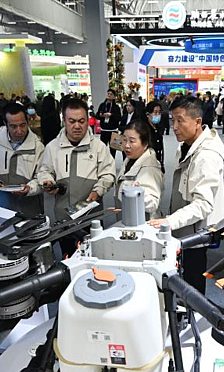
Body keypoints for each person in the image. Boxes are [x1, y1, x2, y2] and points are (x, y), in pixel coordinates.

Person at [149, 97, 224, 294]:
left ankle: (193, 309)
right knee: (182, 272)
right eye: (172, 120)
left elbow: (203, 204)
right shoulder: (186, 143)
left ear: (197, 122)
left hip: (196, 231)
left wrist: (170, 221)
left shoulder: (206, 156)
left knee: (193, 280)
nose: (174, 127)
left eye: (180, 121)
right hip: (184, 223)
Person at [38, 98, 115, 256]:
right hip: (63, 217)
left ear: (88, 120)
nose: (77, 126)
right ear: (64, 121)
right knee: (68, 255)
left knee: (94, 256)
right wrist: (47, 181)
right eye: (72, 121)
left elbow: (108, 173)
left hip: (91, 216)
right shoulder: (52, 147)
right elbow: (44, 170)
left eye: (81, 121)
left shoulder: (98, 147)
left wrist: (98, 191)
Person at [0, 103, 45, 217]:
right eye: (13, 126)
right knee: (5, 227)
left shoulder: (38, 146)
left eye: (23, 125)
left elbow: (42, 175)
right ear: (5, 124)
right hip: (3, 204)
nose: (19, 131)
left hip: (30, 206)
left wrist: (30, 188)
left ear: (27, 121)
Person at [116, 119, 163, 218]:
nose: (127, 145)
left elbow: (152, 203)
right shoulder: (130, 159)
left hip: (142, 222)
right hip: (128, 217)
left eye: (132, 141)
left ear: (145, 144)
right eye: (124, 140)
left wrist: (137, 192)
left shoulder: (151, 168)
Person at [96, 89, 122, 155]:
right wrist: (101, 115)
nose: (109, 95)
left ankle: (112, 161)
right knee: (102, 150)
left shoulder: (116, 107)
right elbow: (97, 115)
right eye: (108, 94)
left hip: (113, 131)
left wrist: (111, 115)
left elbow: (119, 118)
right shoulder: (102, 105)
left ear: (114, 97)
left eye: (111, 94)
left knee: (113, 151)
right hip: (104, 130)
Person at [145, 100, 165, 170]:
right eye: (155, 112)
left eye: (159, 112)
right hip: (147, 165)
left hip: (157, 164)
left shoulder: (158, 128)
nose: (158, 115)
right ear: (148, 114)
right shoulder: (144, 129)